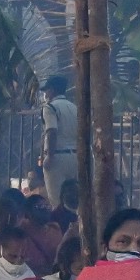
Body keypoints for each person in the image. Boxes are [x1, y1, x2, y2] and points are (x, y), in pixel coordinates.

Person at [37, 76, 79, 206]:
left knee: (56, 200)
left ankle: (59, 226)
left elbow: (51, 131)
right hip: (76, 157)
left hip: (57, 157)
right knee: (75, 200)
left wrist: (49, 155)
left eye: (47, 91)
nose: (45, 94)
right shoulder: (74, 107)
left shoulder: (50, 107)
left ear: (52, 90)